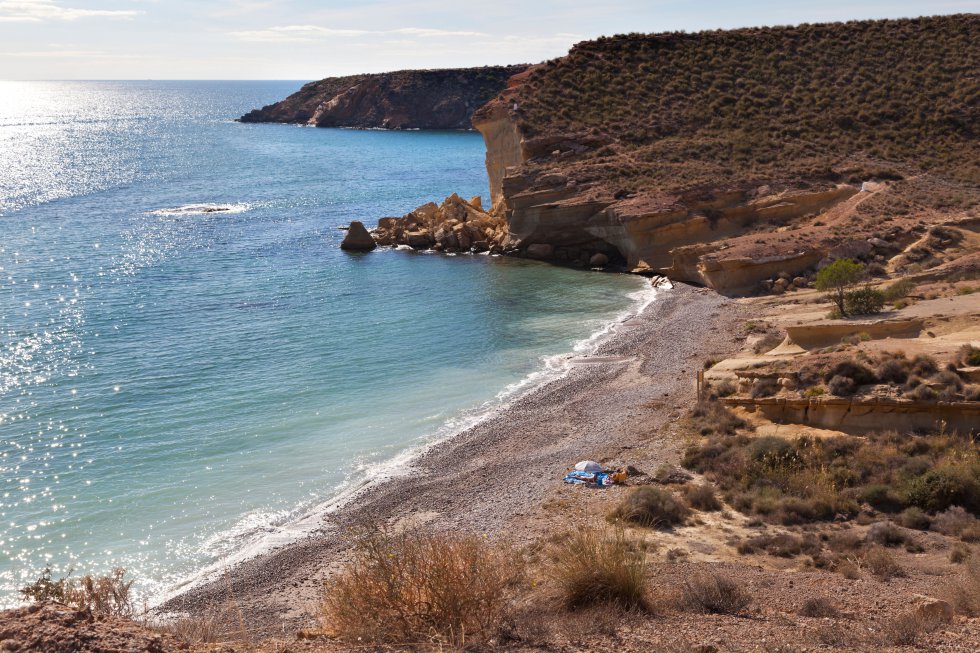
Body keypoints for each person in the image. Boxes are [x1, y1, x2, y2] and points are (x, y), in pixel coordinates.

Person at [563, 467, 628, 486]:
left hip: (599, 478)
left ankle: (575, 477)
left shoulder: (613, 480)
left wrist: (609, 476)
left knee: (586, 478)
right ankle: (576, 476)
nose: (614, 473)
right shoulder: (616, 477)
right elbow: (610, 477)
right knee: (586, 477)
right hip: (600, 476)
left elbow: (608, 480)